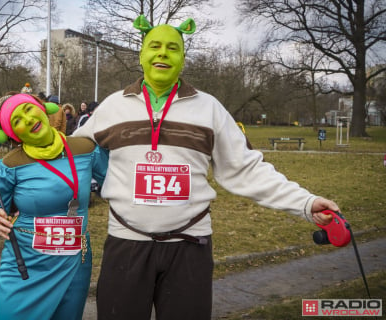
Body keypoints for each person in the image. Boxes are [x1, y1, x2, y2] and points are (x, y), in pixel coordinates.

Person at [73, 16, 339, 320]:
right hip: (126, 243)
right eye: (154, 46)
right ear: (141, 55)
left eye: (172, 48)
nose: (162, 53)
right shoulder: (112, 106)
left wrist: (305, 203)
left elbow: (246, 169)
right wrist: (9, 201)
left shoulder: (209, 108)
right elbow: (67, 159)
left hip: (189, 247)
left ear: (182, 58)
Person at [0, 93, 108, 319]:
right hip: (26, 262)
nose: (26, 120)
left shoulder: (85, 148)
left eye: (28, 110)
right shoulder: (9, 165)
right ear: (13, 133)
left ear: (43, 109)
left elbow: (118, 180)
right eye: (16, 120)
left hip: (74, 261)